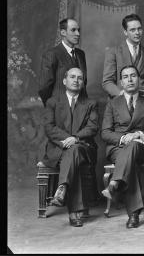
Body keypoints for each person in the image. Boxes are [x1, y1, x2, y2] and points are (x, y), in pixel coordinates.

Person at [101, 65, 144, 229]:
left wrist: (139, 135)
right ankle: (133, 214)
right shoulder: (113, 103)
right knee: (130, 160)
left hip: (141, 147)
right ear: (121, 82)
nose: (130, 79)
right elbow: (105, 133)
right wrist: (123, 139)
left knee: (134, 146)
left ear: (139, 79)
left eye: (133, 76)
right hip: (117, 147)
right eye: (126, 77)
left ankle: (115, 183)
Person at [43, 67, 98, 227]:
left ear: (83, 82)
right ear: (64, 81)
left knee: (75, 150)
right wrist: (67, 139)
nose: (76, 80)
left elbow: (92, 127)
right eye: (72, 77)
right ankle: (75, 211)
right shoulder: (52, 102)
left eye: (80, 78)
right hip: (59, 148)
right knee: (75, 158)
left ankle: (62, 188)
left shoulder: (90, 103)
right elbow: (49, 127)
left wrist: (75, 138)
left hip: (84, 147)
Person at [102, 13, 144, 98]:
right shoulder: (113, 52)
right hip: (120, 101)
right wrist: (120, 94)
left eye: (139, 29)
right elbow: (107, 82)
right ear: (125, 32)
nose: (137, 33)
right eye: (132, 30)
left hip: (142, 103)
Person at [39, 18, 87, 106]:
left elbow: (83, 83)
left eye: (78, 30)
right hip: (60, 110)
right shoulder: (51, 54)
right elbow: (44, 88)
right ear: (63, 32)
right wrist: (53, 107)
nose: (78, 34)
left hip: (81, 108)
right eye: (73, 30)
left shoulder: (81, 54)